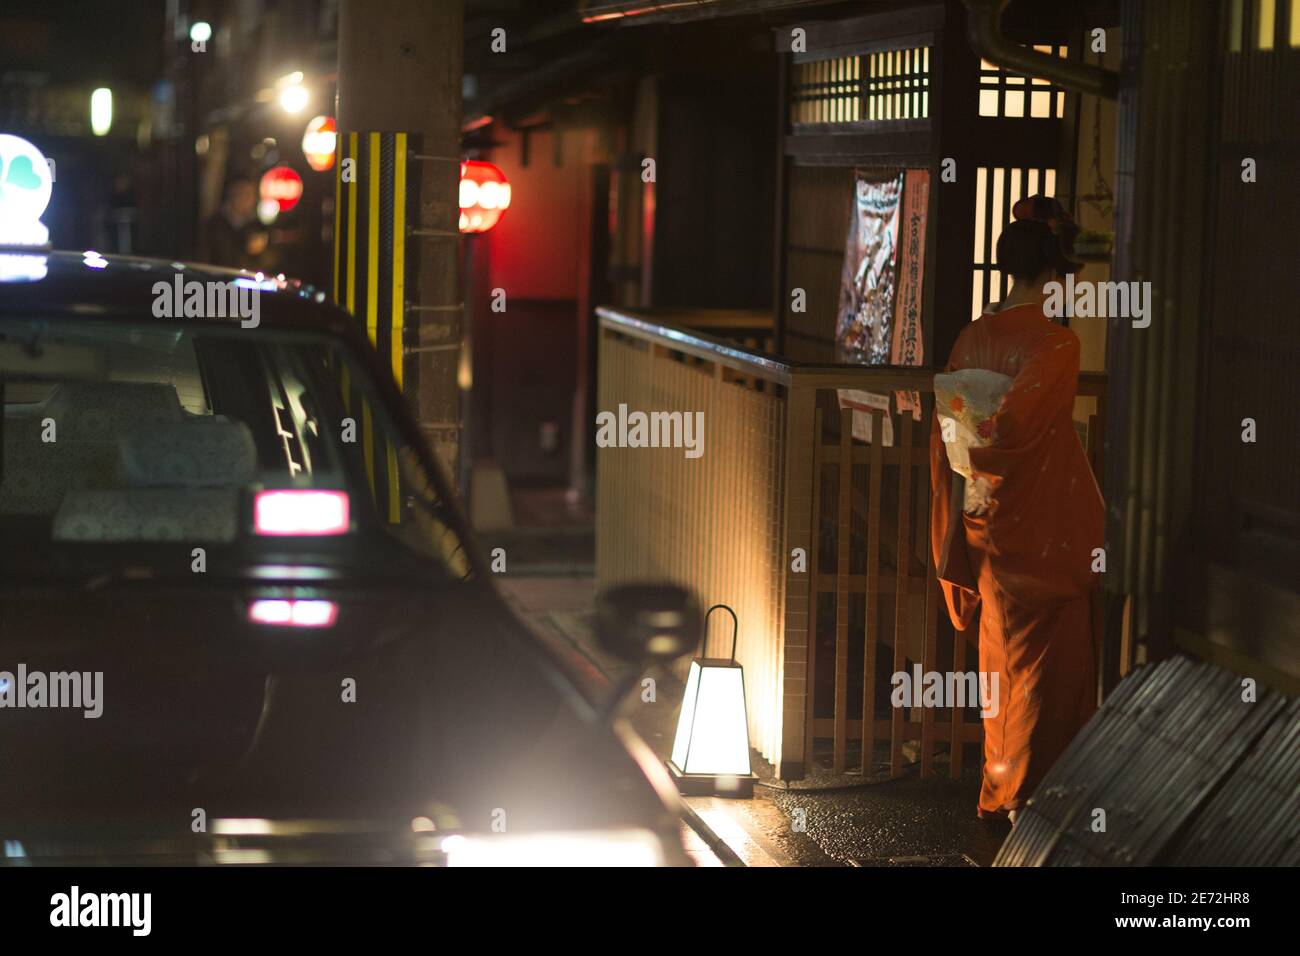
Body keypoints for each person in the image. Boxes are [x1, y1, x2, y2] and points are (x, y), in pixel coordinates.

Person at [928, 215, 1104, 825]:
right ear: (1054, 273)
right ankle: (1033, 801)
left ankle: (998, 789)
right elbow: (1021, 427)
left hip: (984, 518)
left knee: (1000, 661)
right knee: (1048, 669)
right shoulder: (1056, 343)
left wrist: (968, 482)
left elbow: (951, 432)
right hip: (1041, 525)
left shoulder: (970, 339)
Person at [201, 176, 270, 269]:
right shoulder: (215, 223)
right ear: (231, 194)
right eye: (241, 193)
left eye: (249, 195)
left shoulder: (257, 226)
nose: (245, 199)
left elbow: (266, 261)